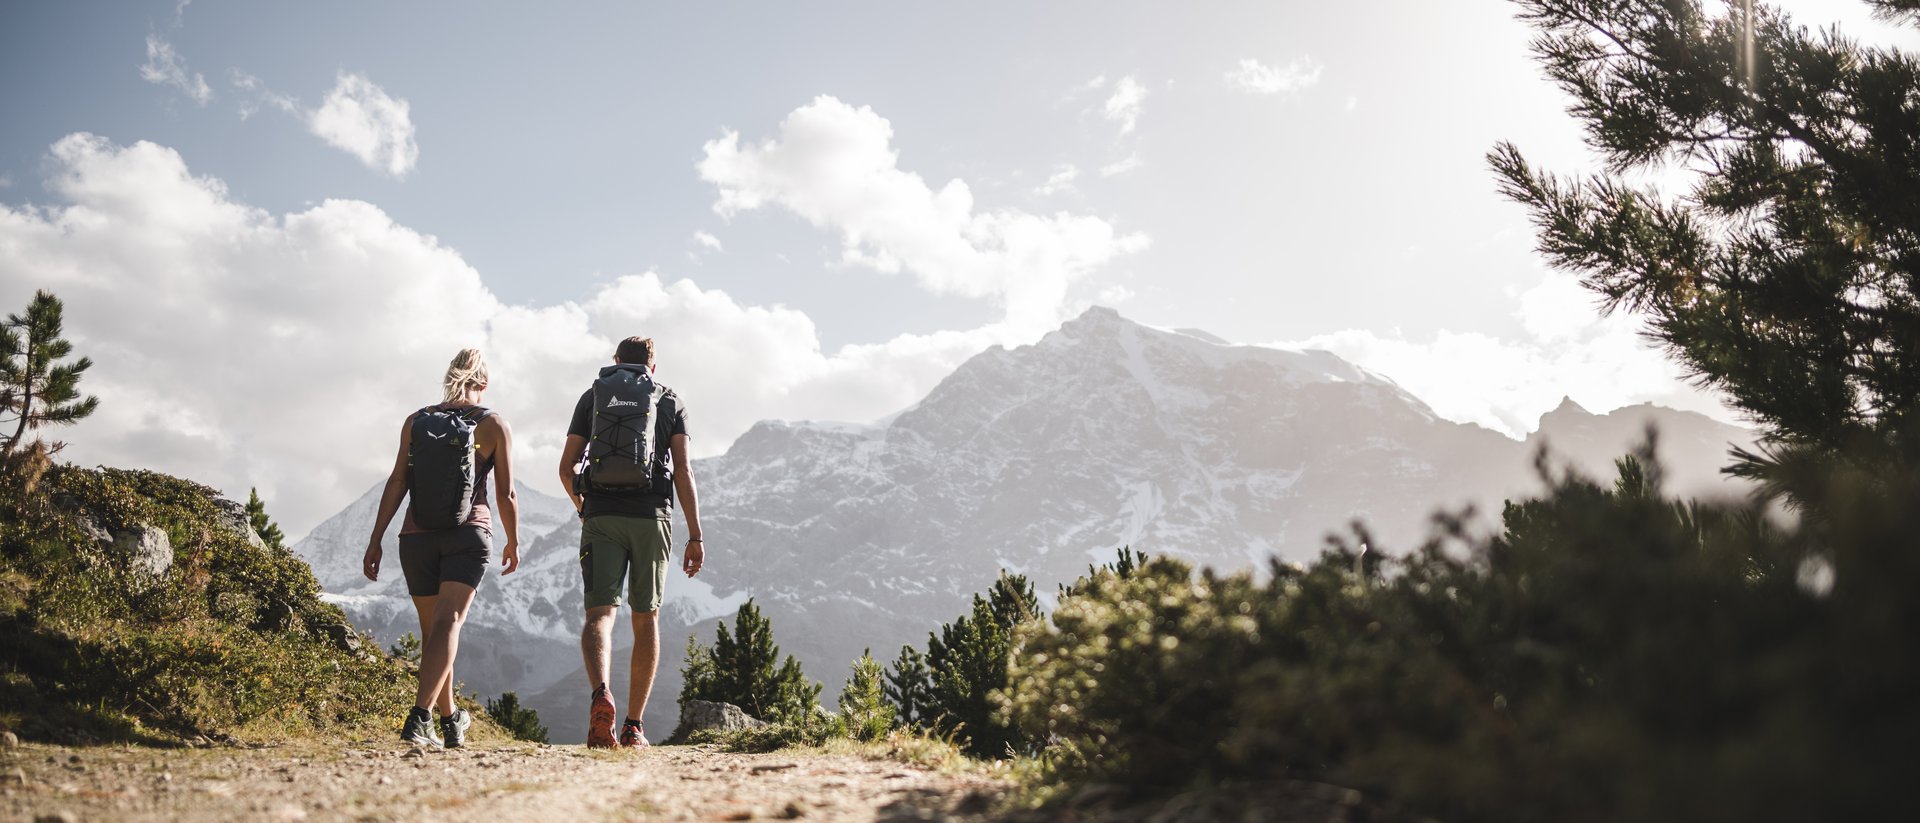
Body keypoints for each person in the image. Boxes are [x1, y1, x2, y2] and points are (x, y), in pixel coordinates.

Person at [363, 348, 521, 748]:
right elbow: (507, 493)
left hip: (415, 537)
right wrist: (514, 539)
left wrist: (376, 537)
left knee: (435, 631)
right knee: (449, 624)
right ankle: (419, 718)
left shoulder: (416, 422)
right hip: (468, 533)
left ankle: (449, 721)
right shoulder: (492, 424)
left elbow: (398, 481)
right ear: (482, 385)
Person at [558, 336, 704, 749]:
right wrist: (694, 534)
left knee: (600, 615)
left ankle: (601, 695)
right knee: (645, 618)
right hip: (652, 515)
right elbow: (683, 473)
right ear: (652, 367)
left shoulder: (594, 397)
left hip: (602, 513)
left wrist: (583, 506)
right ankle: (633, 726)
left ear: (616, 362)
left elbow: (566, 467)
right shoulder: (669, 401)